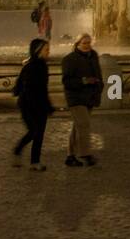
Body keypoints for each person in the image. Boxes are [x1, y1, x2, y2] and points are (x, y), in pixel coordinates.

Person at [61, 34, 103, 167]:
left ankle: (70, 156)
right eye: (84, 43)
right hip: (76, 97)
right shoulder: (69, 59)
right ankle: (86, 154)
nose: (87, 45)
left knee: (77, 127)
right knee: (84, 124)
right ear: (77, 44)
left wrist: (99, 85)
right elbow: (66, 81)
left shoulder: (94, 56)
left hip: (89, 97)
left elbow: (98, 73)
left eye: (89, 43)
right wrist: (84, 81)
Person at [12, 38, 54, 171]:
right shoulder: (30, 66)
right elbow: (26, 87)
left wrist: (47, 105)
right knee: (34, 131)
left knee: (39, 133)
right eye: (46, 49)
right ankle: (18, 150)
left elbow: (43, 88)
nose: (49, 52)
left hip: (40, 104)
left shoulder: (42, 66)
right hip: (28, 105)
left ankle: (35, 162)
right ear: (38, 51)